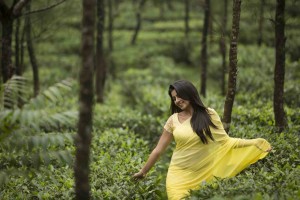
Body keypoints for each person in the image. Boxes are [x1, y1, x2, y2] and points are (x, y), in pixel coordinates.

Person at [133, 80, 271, 200]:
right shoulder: (172, 120)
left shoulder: (209, 114)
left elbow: (226, 141)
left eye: (179, 96)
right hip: (178, 174)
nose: (177, 101)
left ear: (190, 94)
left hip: (203, 174)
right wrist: (143, 171)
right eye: (174, 98)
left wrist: (255, 143)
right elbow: (158, 150)